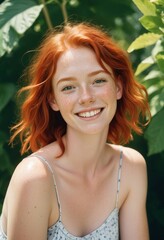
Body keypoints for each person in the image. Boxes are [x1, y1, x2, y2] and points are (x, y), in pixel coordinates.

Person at [0, 22, 150, 240]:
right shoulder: (35, 177)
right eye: (68, 87)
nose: (86, 97)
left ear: (118, 87)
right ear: (53, 100)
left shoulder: (130, 167)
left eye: (98, 80)